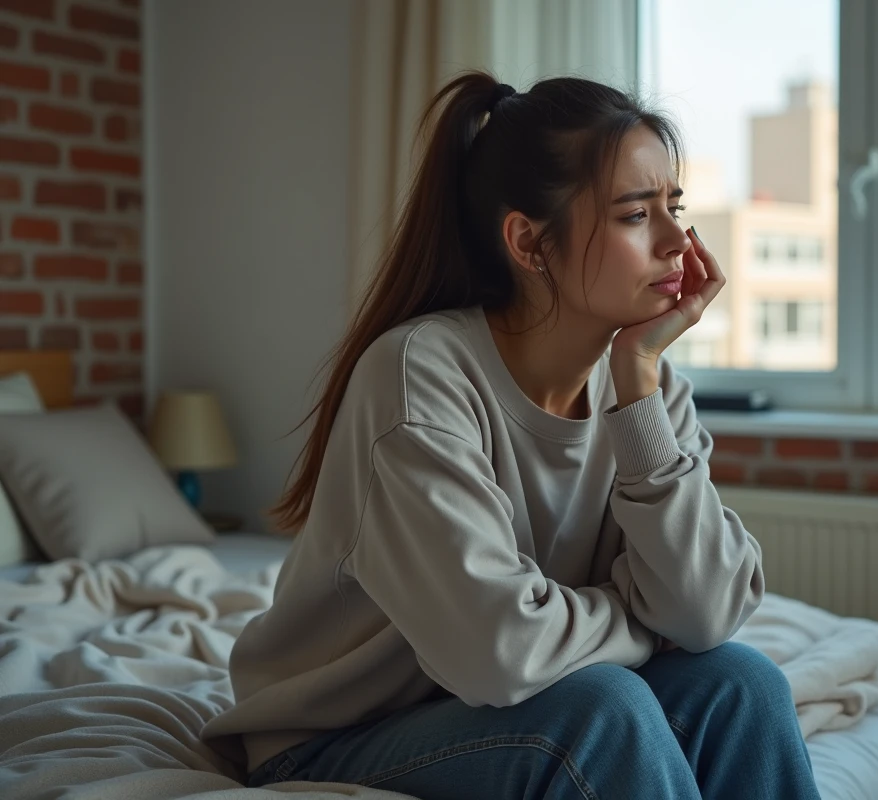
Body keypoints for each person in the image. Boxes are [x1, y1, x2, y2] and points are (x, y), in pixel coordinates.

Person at [202, 71, 821, 800]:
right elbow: (500, 653)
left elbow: (708, 613)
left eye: (674, 207)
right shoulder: (418, 375)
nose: (676, 242)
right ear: (530, 242)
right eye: (634, 214)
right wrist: (641, 618)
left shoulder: (643, 383)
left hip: (507, 705)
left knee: (741, 684)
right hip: (337, 736)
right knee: (603, 713)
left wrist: (640, 388)